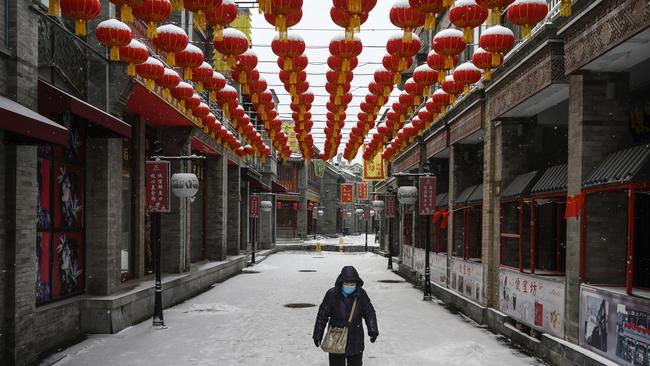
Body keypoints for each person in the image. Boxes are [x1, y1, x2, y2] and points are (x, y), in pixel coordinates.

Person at [313, 266, 378, 366]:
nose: (349, 285)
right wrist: (318, 334)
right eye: (347, 282)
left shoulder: (361, 294)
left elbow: (369, 312)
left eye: (352, 283)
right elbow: (322, 315)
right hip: (336, 338)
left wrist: (373, 330)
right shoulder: (332, 294)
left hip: (355, 338)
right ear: (341, 282)